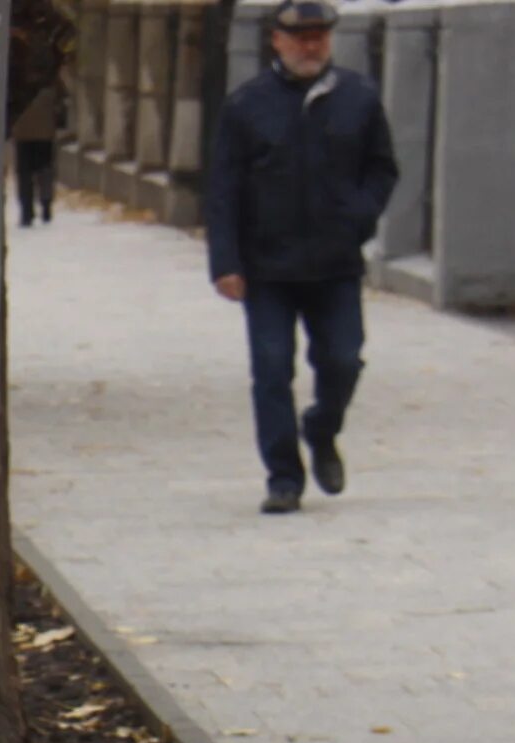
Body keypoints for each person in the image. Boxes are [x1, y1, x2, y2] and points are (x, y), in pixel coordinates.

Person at [203, 0, 399, 514]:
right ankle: (284, 477)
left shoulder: (357, 97)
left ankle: (321, 427)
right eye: (299, 37)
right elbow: (222, 187)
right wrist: (225, 261)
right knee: (271, 369)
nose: (309, 46)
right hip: (267, 265)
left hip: (335, 264)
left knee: (343, 358)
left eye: (319, 36)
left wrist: (359, 214)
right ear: (277, 41)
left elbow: (382, 168)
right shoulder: (248, 105)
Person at [11, 80, 62, 227]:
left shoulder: (18, 76)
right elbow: (62, 101)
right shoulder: (50, 79)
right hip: (44, 132)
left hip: (22, 132)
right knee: (45, 171)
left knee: (24, 174)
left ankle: (26, 211)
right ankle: (45, 206)